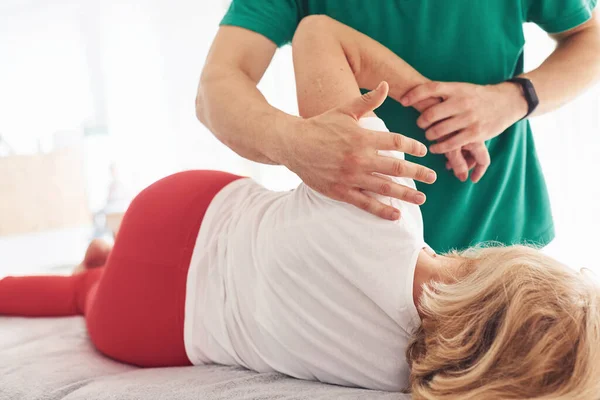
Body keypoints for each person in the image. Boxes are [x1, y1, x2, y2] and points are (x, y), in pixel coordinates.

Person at [2, 20, 599, 398]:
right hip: (147, 328)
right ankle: (95, 274)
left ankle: (106, 255)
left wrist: (429, 101)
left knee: (137, 258)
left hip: (182, 216)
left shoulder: (381, 205)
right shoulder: (399, 378)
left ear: (493, 265)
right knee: (82, 296)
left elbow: (317, 33)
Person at [197, 0, 600, 253]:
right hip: (369, 251)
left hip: (503, 239)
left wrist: (513, 98)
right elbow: (218, 87)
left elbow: (589, 39)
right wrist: (295, 143)